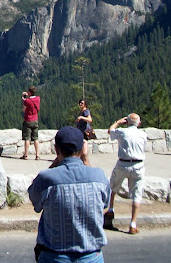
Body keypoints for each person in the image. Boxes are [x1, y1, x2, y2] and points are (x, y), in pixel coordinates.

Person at [28, 126, 110, 262]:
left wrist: (56, 163)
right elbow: (104, 204)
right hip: (91, 256)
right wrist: (86, 159)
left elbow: (35, 200)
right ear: (83, 148)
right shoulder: (99, 176)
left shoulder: (46, 178)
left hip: (55, 256)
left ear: (56, 149)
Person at [104, 113, 147, 235]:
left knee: (113, 187)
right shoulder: (143, 134)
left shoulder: (122, 132)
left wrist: (118, 121)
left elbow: (110, 131)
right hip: (138, 165)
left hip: (123, 164)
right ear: (139, 123)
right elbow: (144, 148)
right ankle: (133, 224)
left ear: (126, 122)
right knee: (137, 195)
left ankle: (111, 209)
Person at [21, 86, 41, 160]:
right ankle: (37, 155)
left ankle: (26, 155)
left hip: (28, 120)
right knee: (36, 138)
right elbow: (33, 99)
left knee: (27, 138)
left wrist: (24, 99)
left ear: (29, 92)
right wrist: (28, 95)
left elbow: (24, 109)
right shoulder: (38, 99)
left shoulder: (27, 101)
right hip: (35, 120)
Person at [75, 99, 93, 166]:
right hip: (81, 130)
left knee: (84, 143)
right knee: (82, 144)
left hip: (85, 130)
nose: (80, 104)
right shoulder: (82, 112)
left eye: (82, 103)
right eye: (79, 103)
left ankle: (84, 158)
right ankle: (83, 159)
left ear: (85, 104)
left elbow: (90, 119)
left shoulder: (86, 111)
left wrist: (81, 117)